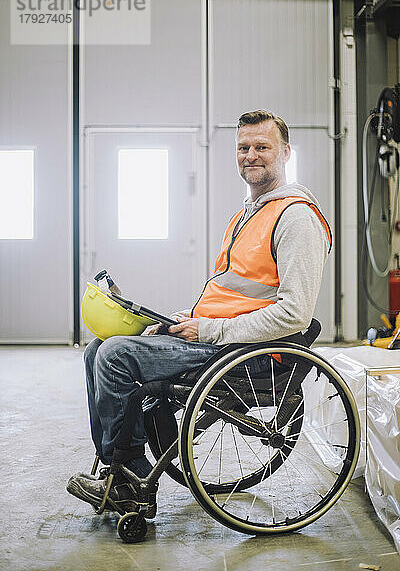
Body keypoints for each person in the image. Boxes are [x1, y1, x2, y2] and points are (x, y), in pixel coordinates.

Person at [67, 110, 332, 517]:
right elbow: (232, 290)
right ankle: (115, 467)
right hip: (216, 336)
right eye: (243, 148)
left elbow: (294, 316)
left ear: (285, 152)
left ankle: (131, 479)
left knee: (115, 355)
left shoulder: (296, 218)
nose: (251, 155)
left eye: (263, 147)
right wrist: (181, 319)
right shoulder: (249, 213)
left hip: (248, 352)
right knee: (96, 349)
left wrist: (205, 329)